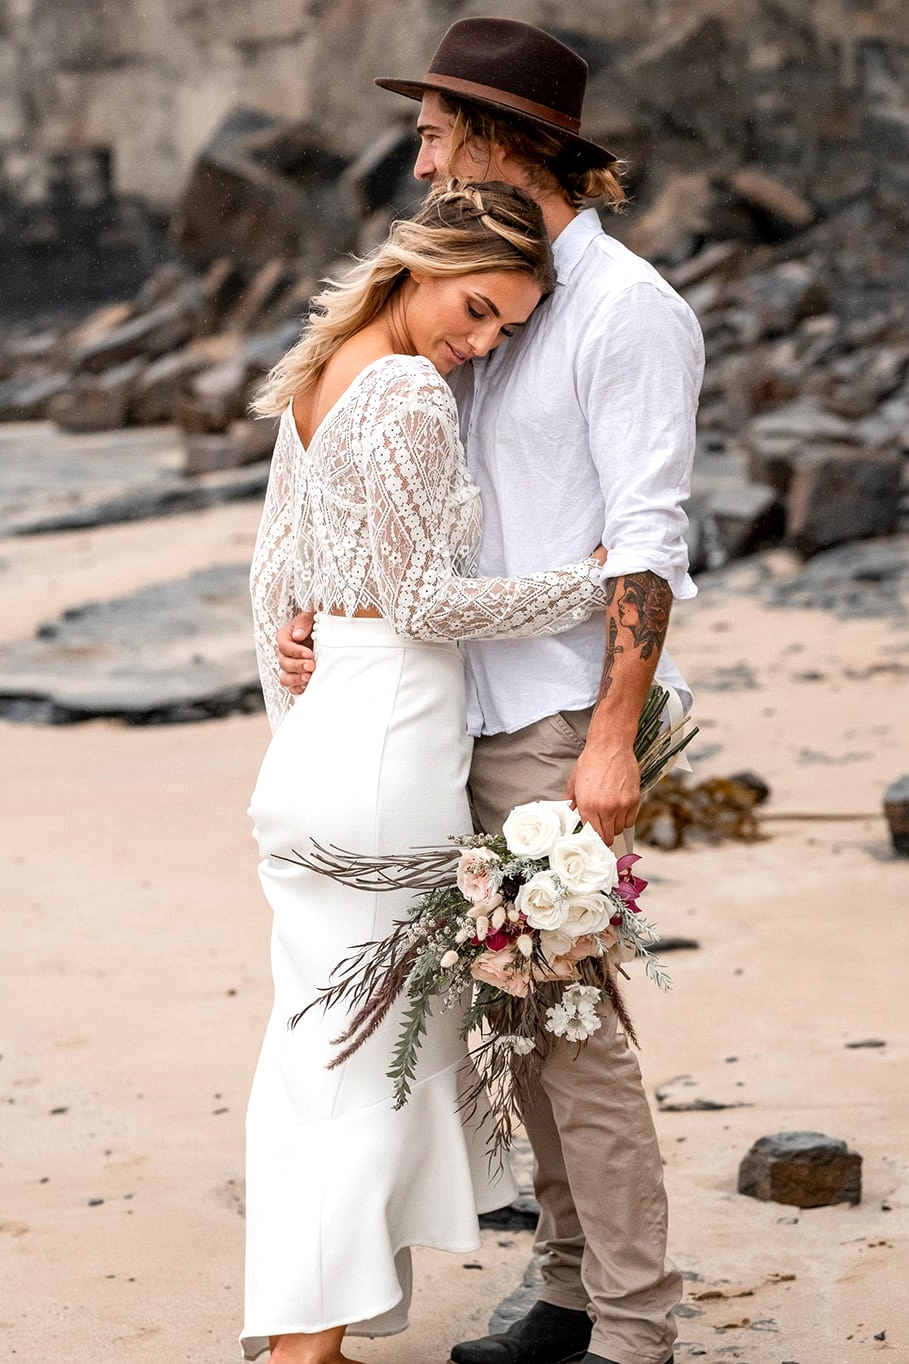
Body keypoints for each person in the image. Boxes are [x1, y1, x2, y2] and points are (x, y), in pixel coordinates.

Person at [275, 19, 705, 1364]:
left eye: (431, 134)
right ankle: (569, 1292)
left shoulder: (629, 310)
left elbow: (647, 536)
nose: (413, 161)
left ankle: (634, 1328)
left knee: (570, 1028)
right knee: (518, 1024)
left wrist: (615, 740)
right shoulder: (488, 294)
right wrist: (309, 609)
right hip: (455, 707)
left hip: (562, 717)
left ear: (504, 139)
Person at [242, 179, 618, 1364]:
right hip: (390, 742)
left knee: (312, 1042)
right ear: (423, 261)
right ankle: (309, 1346)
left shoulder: (317, 374)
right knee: (373, 1050)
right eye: (480, 306)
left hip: (320, 745)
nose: (486, 340)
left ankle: (304, 1325)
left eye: (507, 325)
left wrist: (296, 702)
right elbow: (422, 599)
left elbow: (270, 594)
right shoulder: (405, 387)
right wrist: (591, 581)